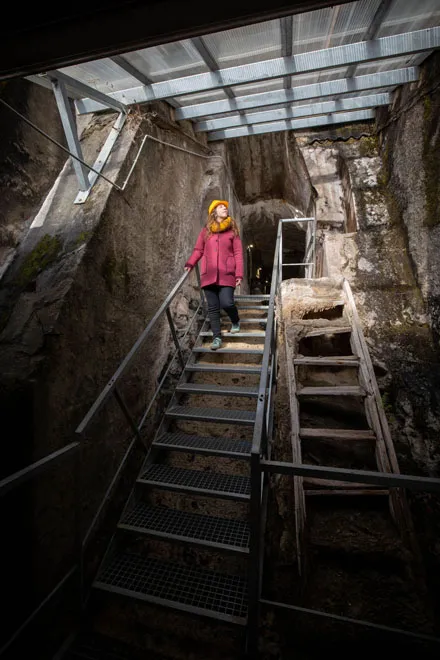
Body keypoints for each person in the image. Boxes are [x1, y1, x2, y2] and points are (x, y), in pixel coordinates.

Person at [185, 200, 243, 350]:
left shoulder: (232, 231)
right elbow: (198, 250)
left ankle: (235, 320)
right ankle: (217, 337)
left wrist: (239, 274)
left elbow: (238, 253)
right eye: (220, 207)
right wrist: (190, 263)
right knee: (213, 308)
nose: (225, 208)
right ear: (214, 212)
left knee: (227, 303)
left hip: (227, 274)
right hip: (208, 275)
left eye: (225, 207)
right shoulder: (206, 231)